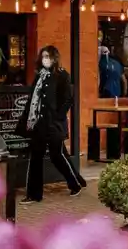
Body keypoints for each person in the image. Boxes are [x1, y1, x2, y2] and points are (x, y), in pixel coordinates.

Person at [17, 46, 86, 205]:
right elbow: (33, 100)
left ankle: (75, 183)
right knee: (35, 157)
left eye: (48, 56)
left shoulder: (62, 76)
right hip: (38, 124)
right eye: (43, 56)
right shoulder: (39, 76)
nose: (45, 59)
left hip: (53, 124)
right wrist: (28, 119)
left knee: (57, 156)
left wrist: (57, 116)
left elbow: (68, 99)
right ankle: (34, 194)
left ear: (54, 58)